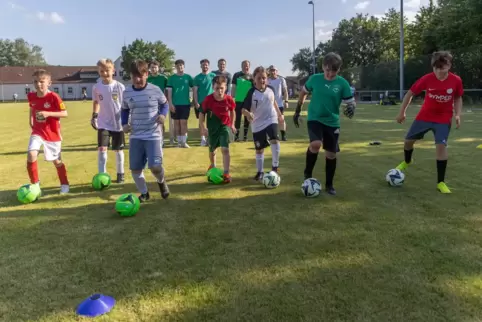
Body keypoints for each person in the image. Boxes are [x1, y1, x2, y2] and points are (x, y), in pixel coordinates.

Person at [395, 51, 463, 194]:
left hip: (443, 118)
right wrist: (402, 112)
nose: (439, 71)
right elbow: (410, 93)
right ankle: (407, 161)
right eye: (436, 68)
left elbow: (457, 98)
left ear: (449, 66)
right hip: (424, 116)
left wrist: (457, 114)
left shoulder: (456, 80)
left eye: (442, 68)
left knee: (441, 146)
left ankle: (441, 182)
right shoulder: (427, 79)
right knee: (408, 142)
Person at [293, 52, 355, 196]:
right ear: (323, 67)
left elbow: (350, 101)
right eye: (327, 70)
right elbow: (303, 93)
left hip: (332, 122)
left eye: (333, 72)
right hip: (315, 118)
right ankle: (307, 174)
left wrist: (352, 107)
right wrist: (297, 111)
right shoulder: (314, 79)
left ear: (338, 70)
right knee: (315, 144)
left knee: (331, 154)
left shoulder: (342, 83)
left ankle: (329, 185)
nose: (329, 74)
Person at [121, 59, 170, 202]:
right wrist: (124, 123)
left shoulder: (155, 90)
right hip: (136, 136)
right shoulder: (127, 92)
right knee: (135, 169)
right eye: (134, 76)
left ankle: (161, 182)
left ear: (146, 74)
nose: (137, 79)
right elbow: (124, 109)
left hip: (153, 135)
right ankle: (144, 193)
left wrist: (162, 115)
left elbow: (165, 104)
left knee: (155, 167)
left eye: (140, 76)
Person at [26, 69, 70, 194]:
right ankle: (35, 184)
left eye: (41, 81)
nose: (38, 84)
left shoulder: (54, 97)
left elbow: (65, 113)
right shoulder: (31, 96)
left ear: (49, 83)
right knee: (31, 154)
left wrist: (48, 113)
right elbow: (31, 107)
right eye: (35, 82)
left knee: (57, 161)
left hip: (52, 134)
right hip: (37, 132)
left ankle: (65, 183)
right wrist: (30, 120)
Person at [241, 66, 283, 181]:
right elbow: (243, 110)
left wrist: (280, 115)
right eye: (259, 78)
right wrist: (248, 114)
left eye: (264, 78)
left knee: (274, 138)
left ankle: (275, 167)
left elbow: (274, 102)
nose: (262, 80)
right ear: (254, 79)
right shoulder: (251, 93)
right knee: (259, 149)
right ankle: (260, 172)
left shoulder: (271, 89)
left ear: (267, 79)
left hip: (271, 119)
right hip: (257, 123)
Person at [91, 58, 126, 183]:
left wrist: (127, 120)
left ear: (113, 71)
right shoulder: (96, 87)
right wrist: (94, 115)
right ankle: (102, 175)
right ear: (98, 72)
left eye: (107, 70)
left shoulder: (119, 86)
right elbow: (96, 102)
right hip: (103, 123)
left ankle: (120, 174)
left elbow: (125, 104)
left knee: (118, 150)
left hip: (118, 123)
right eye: (101, 71)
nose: (105, 73)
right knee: (102, 149)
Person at [199, 75, 236, 183]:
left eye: (222, 88)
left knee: (225, 149)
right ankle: (213, 166)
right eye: (217, 88)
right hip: (212, 129)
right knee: (212, 151)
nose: (219, 91)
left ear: (225, 88)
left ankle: (226, 172)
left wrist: (232, 124)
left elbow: (233, 111)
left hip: (224, 126)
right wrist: (203, 127)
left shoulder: (229, 99)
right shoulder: (208, 99)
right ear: (213, 87)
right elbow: (201, 114)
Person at [166, 59, 194, 148]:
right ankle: (179, 142)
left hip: (185, 104)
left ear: (184, 66)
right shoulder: (171, 78)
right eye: (178, 66)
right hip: (175, 104)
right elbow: (169, 92)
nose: (180, 67)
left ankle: (184, 142)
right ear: (176, 67)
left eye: (181, 65)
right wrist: (170, 103)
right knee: (177, 123)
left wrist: (193, 100)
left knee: (184, 123)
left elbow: (194, 88)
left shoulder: (188, 77)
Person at [147, 60, 172, 146]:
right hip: (150, 103)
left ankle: (162, 139)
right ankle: (153, 138)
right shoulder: (148, 79)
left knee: (161, 121)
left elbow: (167, 91)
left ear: (158, 68)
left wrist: (167, 101)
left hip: (161, 103)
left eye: (155, 67)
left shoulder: (163, 78)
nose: (153, 69)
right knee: (151, 122)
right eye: (152, 67)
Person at [193, 59, 216, 147]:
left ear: (208, 66)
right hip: (201, 103)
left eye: (206, 65)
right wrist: (196, 102)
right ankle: (203, 139)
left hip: (212, 103)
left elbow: (216, 88)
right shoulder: (197, 77)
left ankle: (210, 138)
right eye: (203, 65)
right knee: (201, 121)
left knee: (211, 121)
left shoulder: (213, 76)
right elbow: (195, 90)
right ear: (201, 66)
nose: (205, 66)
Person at [232, 60, 253, 142]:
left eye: (247, 65)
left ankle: (245, 136)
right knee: (237, 118)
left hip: (248, 100)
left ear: (249, 66)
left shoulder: (252, 76)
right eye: (244, 65)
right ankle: (236, 136)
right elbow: (233, 87)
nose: (246, 67)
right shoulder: (237, 75)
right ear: (241, 66)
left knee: (247, 118)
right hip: (238, 100)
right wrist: (232, 98)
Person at [268, 65, 289, 141]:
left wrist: (286, 101)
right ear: (269, 71)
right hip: (269, 104)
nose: (273, 72)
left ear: (277, 71)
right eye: (271, 70)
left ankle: (283, 135)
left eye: (274, 70)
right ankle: (273, 135)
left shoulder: (281, 80)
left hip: (279, 103)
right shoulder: (266, 80)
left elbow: (285, 91)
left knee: (281, 119)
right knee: (270, 120)